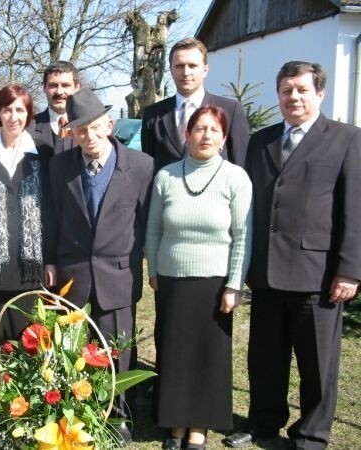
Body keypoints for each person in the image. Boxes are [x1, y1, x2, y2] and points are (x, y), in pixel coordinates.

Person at [224, 61, 361, 450]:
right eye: (286, 90)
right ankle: (263, 423)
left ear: (320, 93)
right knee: (265, 357)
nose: (293, 97)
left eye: (301, 89)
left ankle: (312, 434)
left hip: (317, 274)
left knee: (317, 363)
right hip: (266, 271)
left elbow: (355, 208)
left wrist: (349, 270)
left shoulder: (347, 138)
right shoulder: (261, 141)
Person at [47, 87, 154, 446]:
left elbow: (146, 223)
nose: (89, 136)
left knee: (115, 349)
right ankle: (78, 410)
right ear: (71, 133)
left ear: (109, 124)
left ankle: (119, 414)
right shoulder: (60, 167)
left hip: (118, 275)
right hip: (73, 274)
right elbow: (54, 219)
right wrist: (51, 261)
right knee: (74, 349)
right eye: (80, 130)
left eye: (94, 127)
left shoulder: (141, 166)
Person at [144, 105, 253, 450]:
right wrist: (153, 270)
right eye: (199, 129)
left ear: (224, 138)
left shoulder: (236, 178)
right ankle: (175, 424)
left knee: (207, 355)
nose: (205, 135)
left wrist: (234, 284)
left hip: (214, 283)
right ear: (187, 134)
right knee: (174, 353)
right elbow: (154, 229)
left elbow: (243, 235)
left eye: (213, 130)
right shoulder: (166, 176)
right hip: (172, 279)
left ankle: (199, 427)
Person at [0, 84, 55, 363]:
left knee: (30, 339)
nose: (13, 117)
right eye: (7, 110)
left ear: (29, 115)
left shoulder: (44, 153)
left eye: (20, 110)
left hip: (31, 265)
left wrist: (51, 260)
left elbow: (51, 211)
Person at [141, 37, 250, 173]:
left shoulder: (231, 111)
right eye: (179, 66)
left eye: (192, 66)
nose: (186, 72)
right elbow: (147, 168)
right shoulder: (153, 114)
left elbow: (241, 166)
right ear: (171, 70)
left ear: (205, 70)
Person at [28, 60, 80, 154]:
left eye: (65, 85)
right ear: (44, 88)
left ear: (77, 88)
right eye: (53, 85)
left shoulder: (90, 128)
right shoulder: (27, 128)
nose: (59, 92)